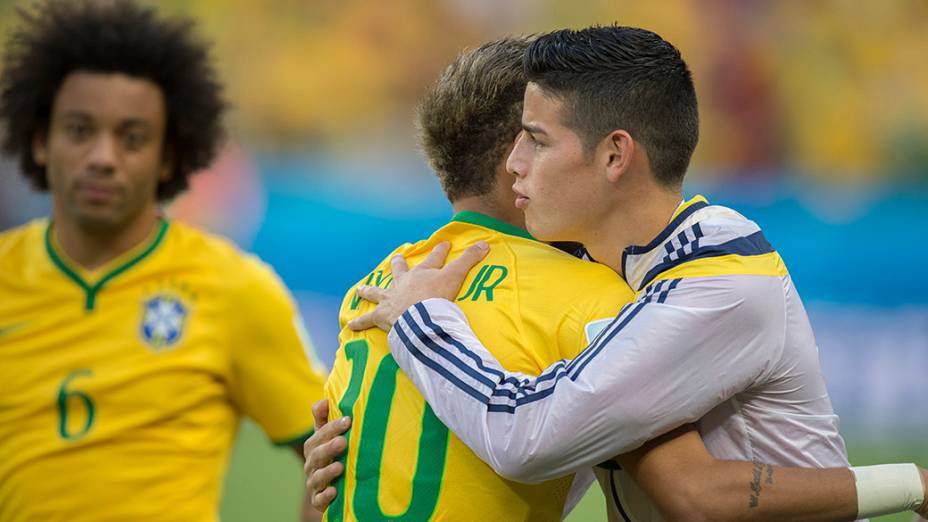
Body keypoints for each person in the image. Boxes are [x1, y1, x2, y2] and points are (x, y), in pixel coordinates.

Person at [329, 26, 928, 520]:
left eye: (536, 141)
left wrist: (421, 320)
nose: (514, 163)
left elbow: (536, 440)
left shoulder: (718, 285)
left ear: (615, 155)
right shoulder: (615, 273)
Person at [0, 1, 326, 520]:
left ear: (170, 155)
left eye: (132, 138)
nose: (103, 157)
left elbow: (334, 455)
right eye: (80, 130)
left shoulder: (232, 288)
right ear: (40, 140)